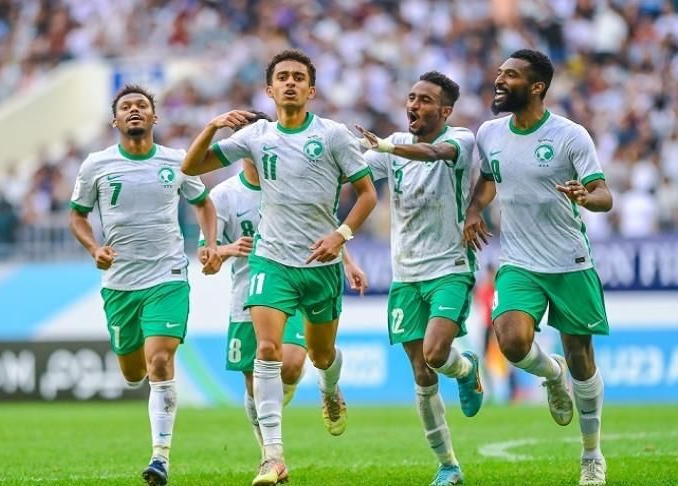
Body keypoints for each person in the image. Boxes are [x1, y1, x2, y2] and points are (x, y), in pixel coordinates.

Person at [182, 49, 377, 486]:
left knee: (321, 355)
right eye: (282, 77)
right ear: (269, 90)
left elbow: (367, 195)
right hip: (270, 260)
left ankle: (330, 388)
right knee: (267, 351)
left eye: (298, 77)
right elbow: (191, 166)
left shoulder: (333, 136)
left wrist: (341, 236)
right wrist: (213, 125)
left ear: (312, 90)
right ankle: (272, 457)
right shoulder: (257, 136)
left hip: (320, 261)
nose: (290, 82)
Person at [463, 49, 612, 486]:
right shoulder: (490, 133)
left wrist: (586, 197)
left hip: (569, 262)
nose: (499, 79)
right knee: (510, 341)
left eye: (510, 75)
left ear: (536, 87)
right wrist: (473, 210)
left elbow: (604, 194)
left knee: (581, 358)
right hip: (519, 260)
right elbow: (488, 179)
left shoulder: (570, 136)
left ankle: (591, 454)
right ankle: (552, 375)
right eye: (499, 72)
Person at [69, 84, 222, 486]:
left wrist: (209, 243)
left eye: (142, 105)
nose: (134, 110)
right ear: (115, 120)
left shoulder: (177, 161)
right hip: (120, 284)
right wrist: (94, 248)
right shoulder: (97, 165)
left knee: (160, 361)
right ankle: (144, 392)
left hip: (167, 277)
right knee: (134, 372)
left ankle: (160, 457)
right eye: (126, 106)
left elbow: (203, 203)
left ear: (155, 117)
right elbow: (77, 215)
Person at [199, 118, 369, 457]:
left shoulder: (288, 179)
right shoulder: (224, 196)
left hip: (296, 279)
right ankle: (270, 456)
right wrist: (227, 250)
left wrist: (347, 261)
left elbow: (319, 223)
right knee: (254, 387)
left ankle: (323, 389)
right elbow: (208, 255)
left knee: (291, 364)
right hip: (247, 291)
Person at [355, 71, 482, 486]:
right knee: (422, 373)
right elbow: (353, 171)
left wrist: (388, 146)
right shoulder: (393, 146)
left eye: (425, 100)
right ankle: (448, 464)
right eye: (411, 97)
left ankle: (465, 369)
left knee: (435, 353)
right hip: (405, 274)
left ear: (445, 111)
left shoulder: (461, 139)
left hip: (449, 267)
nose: (414, 105)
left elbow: (434, 153)